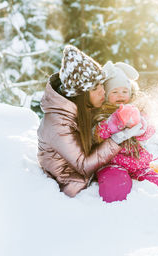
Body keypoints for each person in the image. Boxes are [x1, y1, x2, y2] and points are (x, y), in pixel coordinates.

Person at [37, 45, 145, 197]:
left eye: (102, 85)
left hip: (91, 171)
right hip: (73, 184)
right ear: (81, 95)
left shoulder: (83, 108)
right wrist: (119, 138)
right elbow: (83, 165)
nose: (103, 91)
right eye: (96, 89)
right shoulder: (58, 123)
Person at [93, 61, 158, 203]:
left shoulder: (137, 109)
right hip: (111, 163)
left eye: (124, 91)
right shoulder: (101, 112)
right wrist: (115, 123)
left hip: (137, 163)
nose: (120, 95)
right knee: (114, 185)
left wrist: (141, 127)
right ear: (106, 95)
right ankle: (115, 211)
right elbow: (97, 134)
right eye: (115, 92)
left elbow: (150, 130)